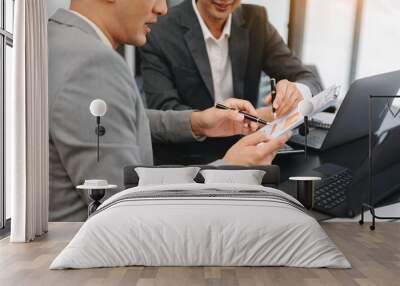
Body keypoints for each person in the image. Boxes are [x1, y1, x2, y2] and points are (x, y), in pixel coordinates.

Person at [48, 0, 290, 222]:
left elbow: (122, 120)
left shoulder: (57, 39)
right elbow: (125, 208)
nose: (162, 8)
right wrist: (227, 171)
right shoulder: (95, 65)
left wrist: (198, 122)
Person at [139, 0, 323, 164]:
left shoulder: (256, 19)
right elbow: (163, 109)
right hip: (187, 160)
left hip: (248, 149)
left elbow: (309, 79)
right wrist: (213, 121)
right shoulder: (159, 29)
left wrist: (297, 91)